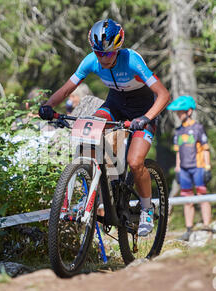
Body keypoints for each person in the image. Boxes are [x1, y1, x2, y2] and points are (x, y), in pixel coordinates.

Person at [38, 18, 170, 236]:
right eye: (98, 53)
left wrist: (146, 118)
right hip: (115, 105)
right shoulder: (91, 60)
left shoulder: (132, 61)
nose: (102, 58)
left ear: (117, 49)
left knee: (135, 162)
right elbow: (67, 89)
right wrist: (49, 106)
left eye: (107, 54)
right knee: (89, 137)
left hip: (142, 111)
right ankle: (95, 193)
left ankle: (147, 207)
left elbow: (164, 94)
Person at [167, 96, 212, 241]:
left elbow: (205, 149)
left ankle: (207, 226)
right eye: (177, 112)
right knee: (187, 199)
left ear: (189, 111)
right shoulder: (178, 131)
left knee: (202, 196)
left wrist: (207, 167)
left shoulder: (198, 128)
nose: (178, 115)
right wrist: (178, 169)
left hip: (198, 167)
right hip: (184, 169)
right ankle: (188, 229)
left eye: (181, 112)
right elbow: (178, 152)